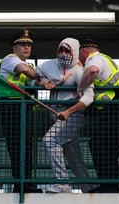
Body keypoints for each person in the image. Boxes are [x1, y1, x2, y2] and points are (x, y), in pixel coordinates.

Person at [34, 37, 95, 193]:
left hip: (73, 117)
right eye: (61, 50)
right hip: (56, 117)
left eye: (67, 51)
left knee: (50, 140)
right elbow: (32, 76)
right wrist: (42, 82)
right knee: (74, 156)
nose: (63, 54)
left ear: (74, 52)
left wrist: (68, 112)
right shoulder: (49, 65)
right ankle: (88, 188)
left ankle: (62, 184)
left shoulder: (80, 71)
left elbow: (88, 97)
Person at [77, 39, 119, 193]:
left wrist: (80, 87)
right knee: (107, 149)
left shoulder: (95, 58)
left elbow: (92, 71)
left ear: (84, 51)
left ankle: (108, 186)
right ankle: (109, 186)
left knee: (100, 145)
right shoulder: (106, 59)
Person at [0, 29, 42, 193]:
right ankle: (20, 184)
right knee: (17, 147)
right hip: (11, 108)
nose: (26, 47)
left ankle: (26, 183)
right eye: (22, 44)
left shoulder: (29, 65)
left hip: (24, 109)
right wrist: (42, 78)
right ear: (14, 47)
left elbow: (33, 81)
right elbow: (26, 72)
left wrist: (43, 83)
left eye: (29, 45)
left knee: (26, 147)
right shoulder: (10, 60)